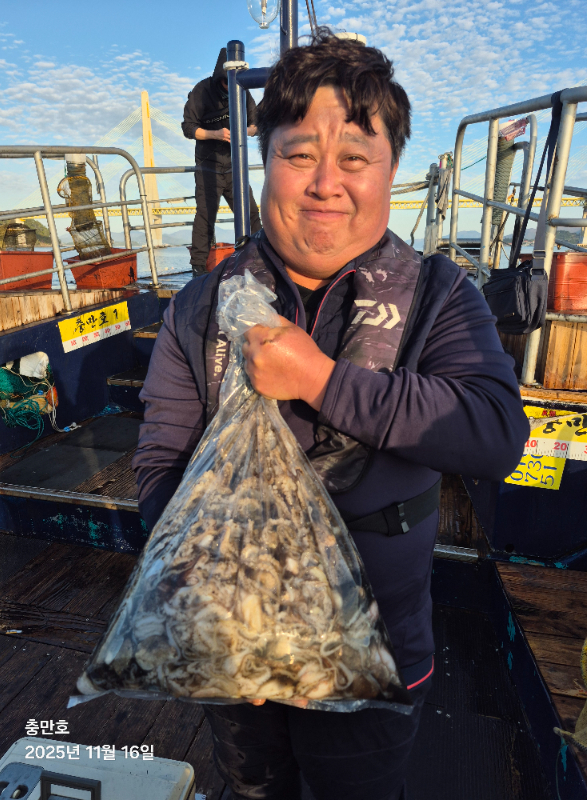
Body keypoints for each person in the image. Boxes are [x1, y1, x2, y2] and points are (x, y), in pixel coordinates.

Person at [135, 31, 529, 800]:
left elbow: (493, 434)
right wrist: (212, 611)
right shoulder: (199, 308)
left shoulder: (442, 295)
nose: (325, 183)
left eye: (354, 157)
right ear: (264, 162)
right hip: (237, 656)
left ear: (390, 171)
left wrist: (320, 379)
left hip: (376, 649)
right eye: (298, 154)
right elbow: (159, 466)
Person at [182, 47, 262, 276]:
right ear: (220, 78)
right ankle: (198, 269)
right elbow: (188, 128)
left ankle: (261, 259)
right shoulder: (202, 91)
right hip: (208, 166)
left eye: (233, 83)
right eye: (226, 83)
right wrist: (215, 134)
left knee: (251, 214)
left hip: (235, 167)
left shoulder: (242, 91)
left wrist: (243, 131)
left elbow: (256, 125)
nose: (229, 88)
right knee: (205, 216)